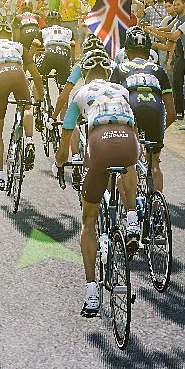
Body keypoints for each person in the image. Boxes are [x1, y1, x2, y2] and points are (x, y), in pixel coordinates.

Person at [57, 51, 141, 317]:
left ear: (84, 74)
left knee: (89, 220)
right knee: (126, 166)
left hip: (100, 142)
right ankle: (132, 219)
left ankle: (91, 291)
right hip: (127, 139)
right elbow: (133, 125)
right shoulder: (120, 89)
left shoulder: (80, 93)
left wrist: (60, 162)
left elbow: (67, 133)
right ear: (107, 73)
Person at [112, 29, 173, 198]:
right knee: (154, 164)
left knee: (126, 164)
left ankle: (130, 209)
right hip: (155, 111)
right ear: (149, 51)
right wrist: (159, 130)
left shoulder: (120, 68)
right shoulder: (158, 70)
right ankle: (156, 205)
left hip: (131, 110)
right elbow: (172, 113)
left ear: (127, 51)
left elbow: (113, 104)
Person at [0, 29, 34, 188]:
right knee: (27, 108)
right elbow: (36, 75)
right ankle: (29, 140)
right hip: (18, 73)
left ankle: (0, 176)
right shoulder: (18, 46)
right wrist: (39, 99)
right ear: (10, 36)